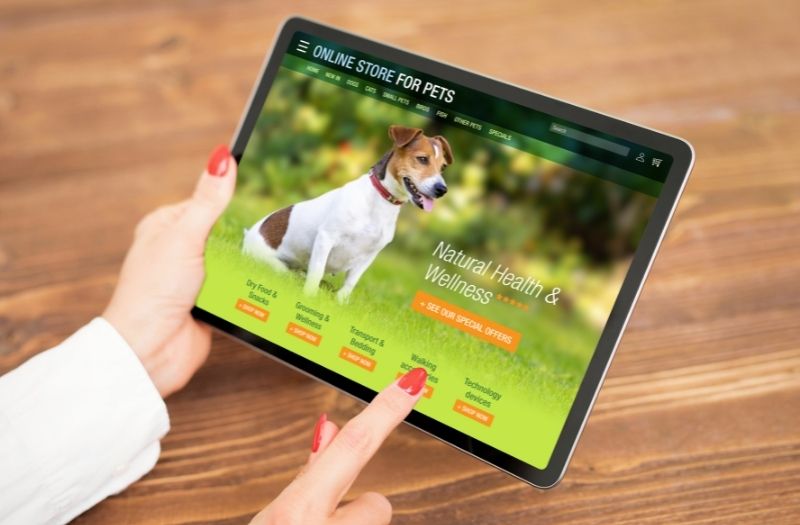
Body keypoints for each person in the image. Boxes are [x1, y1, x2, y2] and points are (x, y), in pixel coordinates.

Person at [0, 145, 427, 525]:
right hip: (271, 251)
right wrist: (312, 298)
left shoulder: (389, 217)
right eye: (424, 161)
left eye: (436, 166)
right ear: (399, 150)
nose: (434, 177)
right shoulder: (351, 200)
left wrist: (137, 349)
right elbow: (328, 238)